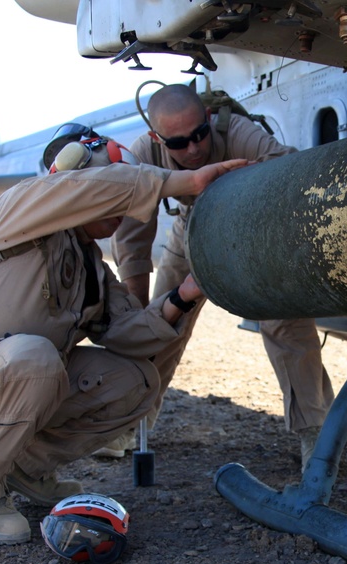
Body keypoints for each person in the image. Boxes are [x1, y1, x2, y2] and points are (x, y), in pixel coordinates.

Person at [0, 136, 248, 545]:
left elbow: (128, 335)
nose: (123, 211)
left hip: (22, 376)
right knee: (35, 358)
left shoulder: (90, 266)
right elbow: (86, 189)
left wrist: (184, 295)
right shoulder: (21, 207)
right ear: (71, 178)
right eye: (109, 182)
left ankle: (22, 468)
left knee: (136, 380)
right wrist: (184, 181)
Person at [111, 83, 334, 469]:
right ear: (156, 138)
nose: (194, 149)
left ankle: (317, 433)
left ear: (209, 120)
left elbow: (290, 174)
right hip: (192, 229)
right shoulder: (144, 155)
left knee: (285, 324)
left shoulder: (240, 133)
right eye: (179, 143)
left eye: (200, 135)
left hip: (252, 230)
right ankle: (131, 423)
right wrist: (137, 318)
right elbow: (133, 241)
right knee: (161, 321)